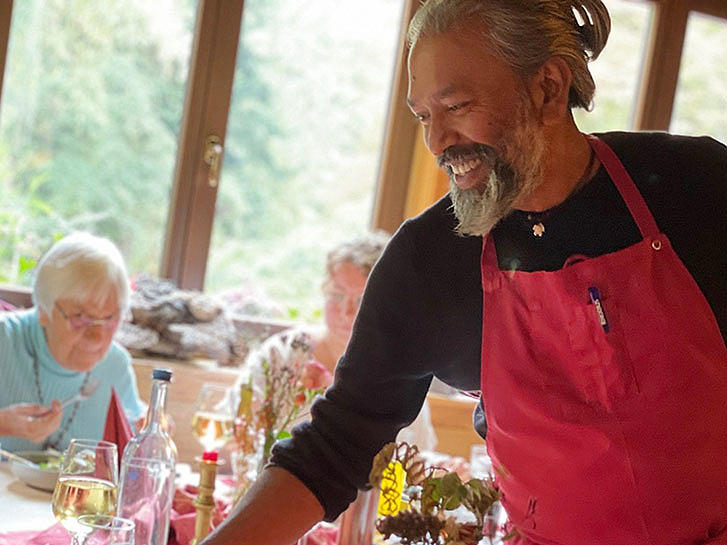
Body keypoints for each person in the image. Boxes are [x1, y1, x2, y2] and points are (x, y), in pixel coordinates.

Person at [204, 1, 727, 544]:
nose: (436, 142)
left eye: (455, 106)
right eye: (423, 117)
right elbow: (336, 445)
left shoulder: (697, 190)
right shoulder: (430, 263)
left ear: (548, 87)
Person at [236, 231, 437, 451]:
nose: (346, 312)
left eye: (362, 299)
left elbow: (416, 460)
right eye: (337, 295)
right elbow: (235, 432)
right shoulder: (282, 353)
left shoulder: (403, 377)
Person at [0, 232, 146, 453]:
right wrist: (4, 424)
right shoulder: (5, 339)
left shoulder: (116, 366)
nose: (97, 336)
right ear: (43, 310)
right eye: (80, 317)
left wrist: (151, 433)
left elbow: (135, 446)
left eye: (110, 318)